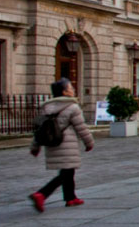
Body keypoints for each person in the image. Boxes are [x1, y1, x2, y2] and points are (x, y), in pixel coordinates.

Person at [29, 78, 94, 213]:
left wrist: (35, 147)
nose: (73, 89)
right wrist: (89, 142)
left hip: (52, 143)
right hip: (66, 143)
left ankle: (71, 198)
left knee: (68, 171)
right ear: (65, 92)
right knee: (65, 173)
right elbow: (81, 127)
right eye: (71, 88)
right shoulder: (72, 107)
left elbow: (40, 129)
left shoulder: (47, 107)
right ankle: (42, 194)